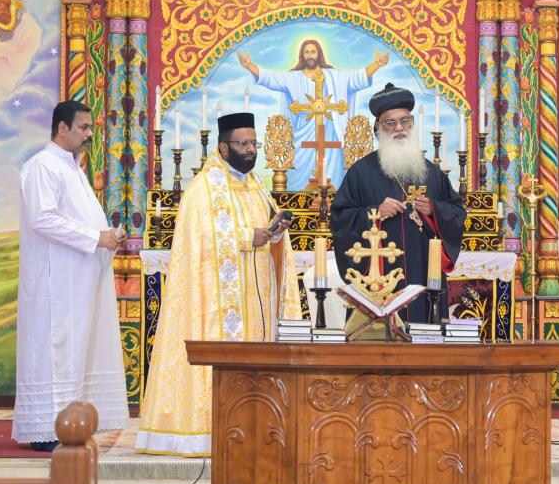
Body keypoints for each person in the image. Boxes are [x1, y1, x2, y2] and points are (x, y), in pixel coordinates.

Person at [137, 112, 301, 456]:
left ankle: (257, 424)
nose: (251, 150)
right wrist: (246, 237)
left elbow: (267, 236)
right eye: (243, 144)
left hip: (255, 298)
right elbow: (198, 241)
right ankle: (209, 428)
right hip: (216, 304)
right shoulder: (202, 190)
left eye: (254, 143)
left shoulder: (257, 186)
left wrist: (275, 232)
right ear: (224, 148)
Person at [12, 101, 129, 451]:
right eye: (83, 127)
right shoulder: (42, 166)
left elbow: (78, 218)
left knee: (75, 352)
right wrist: (96, 238)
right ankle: (48, 430)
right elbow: (42, 219)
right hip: (55, 283)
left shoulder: (71, 168)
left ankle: (72, 423)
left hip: (77, 279)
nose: (90, 134)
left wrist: (108, 235)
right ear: (62, 128)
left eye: (91, 127)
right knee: (56, 351)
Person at [330, 84, 466, 323]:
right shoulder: (361, 172)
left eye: (405, 121)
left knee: (424, 332)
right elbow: (340, 219)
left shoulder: (431, 172)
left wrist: (434, 210)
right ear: (378, 128)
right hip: (377, 277)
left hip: (422, 272)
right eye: (390, 123)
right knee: (379, 338)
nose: (399, 128)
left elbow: (457, 212)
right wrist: (375, 213)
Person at [238, 39, 388, 188]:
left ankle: (334, 198)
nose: (310, 55)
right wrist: (249, 66)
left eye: (313, 52)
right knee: (297, 173)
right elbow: (271, 78)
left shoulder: (333, 76)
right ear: (302, 55)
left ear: (319, 54)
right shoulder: (293, 78)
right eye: (307, 52)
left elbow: (356, 78)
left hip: (329, 132)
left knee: (333, 172)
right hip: (302, 133)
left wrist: (376, 64)